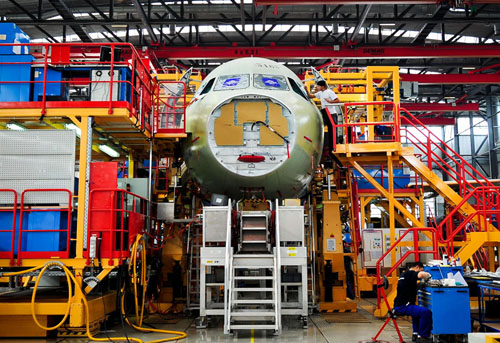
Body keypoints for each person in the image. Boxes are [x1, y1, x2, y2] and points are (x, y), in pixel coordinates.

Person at [393, 262, 432, 343]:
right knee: (425, 312)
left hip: (400, 304)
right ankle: (422, 336)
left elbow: (408, 287)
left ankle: (416, 334)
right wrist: (429, 275)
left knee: (416, 312)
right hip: (403, 306)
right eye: (420, 270)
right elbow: (421, 275)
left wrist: (420, 285)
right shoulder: (410, 273)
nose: (419, 272)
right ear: (417, 267)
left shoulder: (404, 275)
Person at [305, 80, 341, 156]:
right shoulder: (320, 93)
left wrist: (330, 102)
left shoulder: (329, 92)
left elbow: (338, 100)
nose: (317, 87)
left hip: (331, 113)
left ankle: (335, 146)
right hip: (325, 112)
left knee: (333, 130)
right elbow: (310, 96)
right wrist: (306, 90)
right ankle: (328, 147)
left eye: (318, 86)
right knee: (324, 128)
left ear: (322, 86)